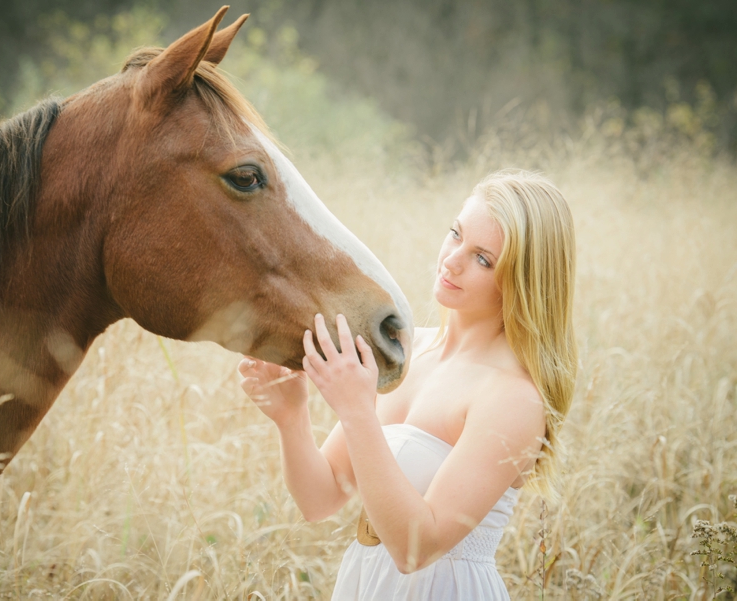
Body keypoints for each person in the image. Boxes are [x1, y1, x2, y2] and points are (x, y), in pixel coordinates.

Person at [238, 169, 577, 600]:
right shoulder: (407, 349)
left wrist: (357, 411)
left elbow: (417, 550)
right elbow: (319, 500)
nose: (452, 259)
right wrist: (290, 416)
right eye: (456, 234)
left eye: (483, 259)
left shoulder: (512, 397)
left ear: (525, 280)